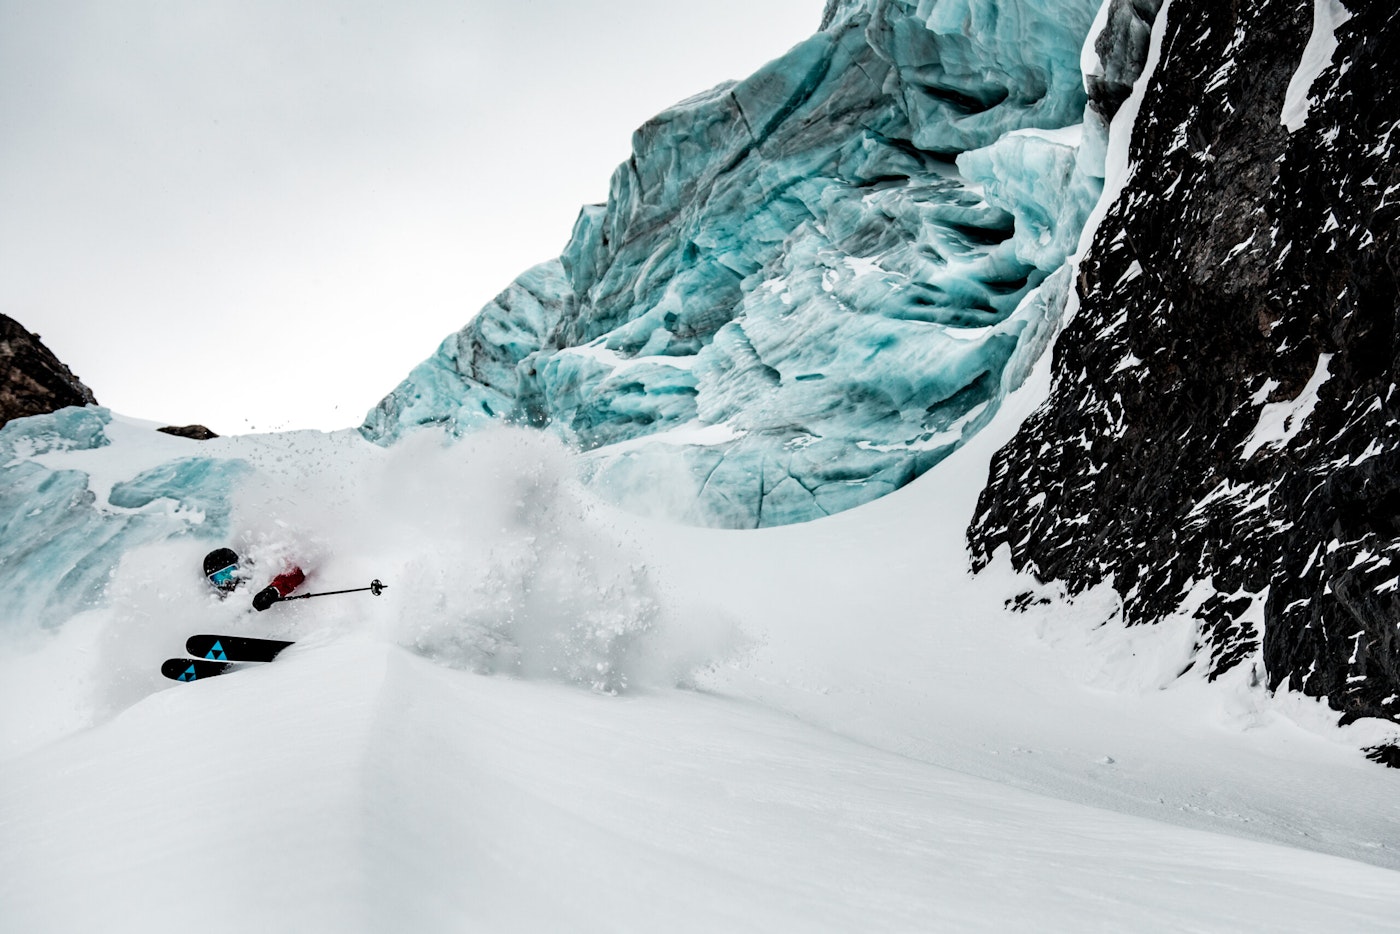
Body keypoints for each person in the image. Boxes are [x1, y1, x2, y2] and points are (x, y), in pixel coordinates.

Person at [203, 548, 306, 612]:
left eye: (230, 573)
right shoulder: (215, 601)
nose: (227, 581)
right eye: (218, 578)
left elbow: (295, 574)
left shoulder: (257, 577)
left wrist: (273, 591)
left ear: (240, 568)